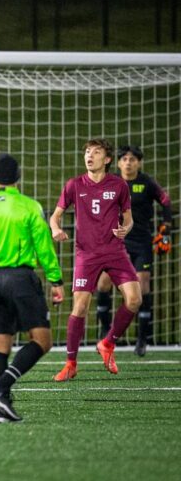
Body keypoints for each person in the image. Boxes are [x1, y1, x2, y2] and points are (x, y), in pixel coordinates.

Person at [0, 153, 64, 423]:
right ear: (18, 178)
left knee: (0, 343)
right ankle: (2, 386)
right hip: (20, 278)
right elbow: (44, 248)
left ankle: (2, 410)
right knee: (43, 340)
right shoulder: (29, 206)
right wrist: (56, 280)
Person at [50, 139, 142, 382]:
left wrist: (127, 228)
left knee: (134, 299)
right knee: (79, 307)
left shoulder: (119, 185)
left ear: (107, 159)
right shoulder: (74, 185)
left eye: (96, 152)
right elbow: (55, 217)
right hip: (86, 254)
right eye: (87, 152)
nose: (90, 156)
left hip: (114, 251)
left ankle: (108, 344)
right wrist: (55, 230)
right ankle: (71, 363)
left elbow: (129, 219)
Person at [95, 145, 172, 356]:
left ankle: (142, 339)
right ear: (118, 163)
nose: (128, 162)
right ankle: (104, 331)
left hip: (140, 243)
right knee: (103, 283)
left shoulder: (146, 183)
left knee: (142, 286)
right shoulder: (108, 183)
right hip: (113, 242)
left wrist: (165, 228)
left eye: (133, 159)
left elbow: (165, 202)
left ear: (139, 162)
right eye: (125, 159)